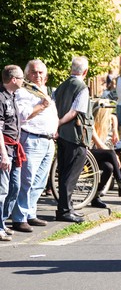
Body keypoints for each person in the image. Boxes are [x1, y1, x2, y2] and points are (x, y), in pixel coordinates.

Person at [11, 60, 58, 232]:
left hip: (48, 140)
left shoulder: (45, 91)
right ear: (27, 74)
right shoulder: (23, 92)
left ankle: (30, 213)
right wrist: (41, 106)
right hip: (31, 139)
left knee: (40, 181)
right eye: (33, 72)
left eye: (40, 72)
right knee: (27, 180)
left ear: (45, 75)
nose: (37, 75)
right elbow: (23, 116)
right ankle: (19, 217)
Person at [54, 56, 92, 223]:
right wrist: (61, 122)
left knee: (63, 172)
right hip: (76, 136)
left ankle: (66, 208)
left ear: (71, 69)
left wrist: (57, 125)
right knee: (70, 175)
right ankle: (65, 211)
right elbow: (76, 110)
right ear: (85, 71)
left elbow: (53, 106)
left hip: (62, 135)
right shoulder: (82, 87)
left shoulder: (61, 86)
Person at [90, 98, 121, 207]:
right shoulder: (92, 124)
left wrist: (115, 131)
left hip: (101, 155)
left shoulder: (112, 119)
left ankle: (95, 197)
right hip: (89, 154)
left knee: (109, 167)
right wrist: (114, 157)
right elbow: (100, 145)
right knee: (111, 153)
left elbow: (113, 118)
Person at [0, 65, 25, 241]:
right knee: (2, 190)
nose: (24, 81)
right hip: (5, 149)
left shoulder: (13, 96)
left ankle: (2, 221)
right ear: (14, 79)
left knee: (14, 188)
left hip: (14, 149)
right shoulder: (1, 98)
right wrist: (3, 154)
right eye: (22, 78)